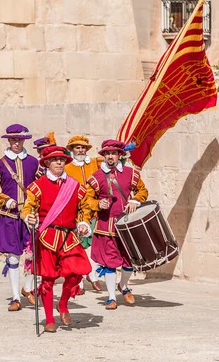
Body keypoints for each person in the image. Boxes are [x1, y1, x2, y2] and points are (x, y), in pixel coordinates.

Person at [21, 146, 92, 333]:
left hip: (69, 236)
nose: (59, 162)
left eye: (62, 160)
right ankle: (50, 320)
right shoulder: (37, 186)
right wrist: (30, 217)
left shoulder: (74, 185)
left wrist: (83, 222)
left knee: (78, 271)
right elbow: (28, 208)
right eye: (55, 160)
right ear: (47, 163)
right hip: (47, 236)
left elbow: (84, 207)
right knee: (48, 280)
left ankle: (62, 303)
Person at [86, 140, 148, 309]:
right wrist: (98, 205)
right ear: (104, 156)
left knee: (129, 262)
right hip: (106, 225)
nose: (110, 156)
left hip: (127, 225)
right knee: (110, 262)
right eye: (107, 154)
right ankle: (112, 297)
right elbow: (87, 200)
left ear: (120, 155)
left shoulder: (131, 173)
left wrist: (135, 200)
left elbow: (143, 191)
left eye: (113, 153)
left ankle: (124, 285)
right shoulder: (96, 178)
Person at [0, 124, 40, 311]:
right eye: (13, 139)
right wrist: (5, 200)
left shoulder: (34, 163)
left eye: (19, 139)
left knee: (33, 254)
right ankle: (16, 297)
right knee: (14, 257)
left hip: (30, 216)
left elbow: (40, 189)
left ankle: (27, 288)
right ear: (8, 140)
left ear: (24, 140)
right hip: (9, 216)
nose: (16, 143)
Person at [64, 135, 104, 294]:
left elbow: (115, 163)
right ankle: (79, 280)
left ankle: (91, 274)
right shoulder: (67, 167)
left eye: (83, 148)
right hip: (75, 211)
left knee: (92, 244)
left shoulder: (95, 163)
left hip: (94, 210)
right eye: (77, 147)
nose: (80, 150)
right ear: (72, 150)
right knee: (77, 245)